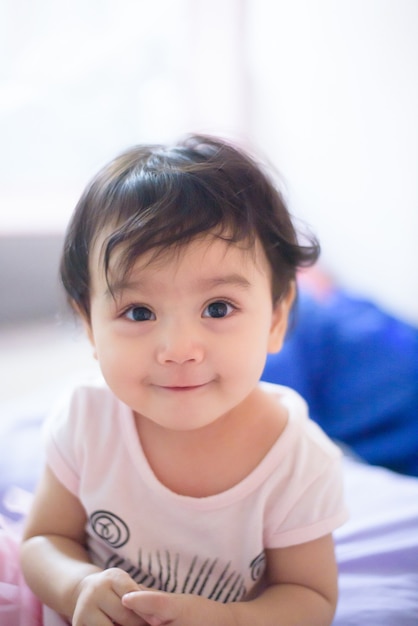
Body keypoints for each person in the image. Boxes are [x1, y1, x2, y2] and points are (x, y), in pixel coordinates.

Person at [20, 134, 348, 626]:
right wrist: (75, 586)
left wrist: (228, 620)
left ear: (276, 320)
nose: (177, 350)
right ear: (89, 325)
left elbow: (309, 597)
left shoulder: (297, 461)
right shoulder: (88, 418)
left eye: (218, 308)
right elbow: (44, 541)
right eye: (138, 311)